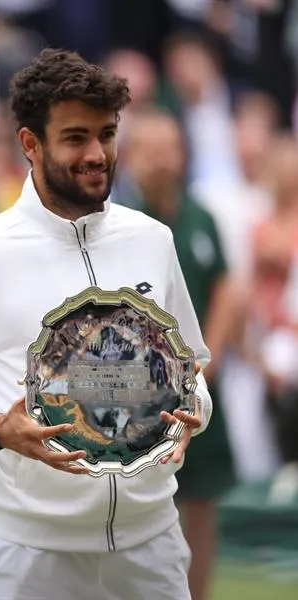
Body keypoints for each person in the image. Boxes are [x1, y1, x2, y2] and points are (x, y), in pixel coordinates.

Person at [0, 48, 212, 600]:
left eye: (107, 134)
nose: (97, 154)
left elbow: (192, 368)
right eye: (76, 137)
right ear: (30, 144)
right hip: (28, 558)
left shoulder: (153, 240)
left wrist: (191, 414)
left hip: (152, 546)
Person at [118, 108, 237, 600]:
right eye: (151, 150)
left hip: (198, 385)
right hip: (136, 394)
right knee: (131, 500)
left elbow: (228, 286)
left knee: (203, 500)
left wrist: (207, 361)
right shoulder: (119, 223)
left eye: (170, 149)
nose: (163, 161)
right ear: (131, 158)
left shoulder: (200, 217)